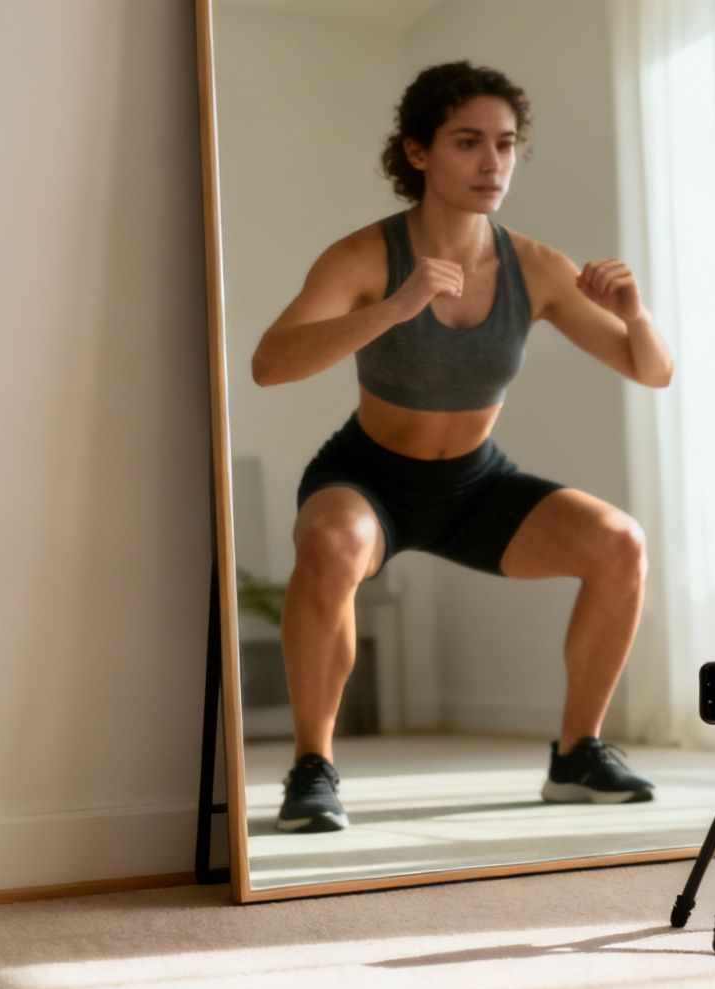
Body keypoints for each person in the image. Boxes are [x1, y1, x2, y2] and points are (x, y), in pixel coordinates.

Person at [252, 62, 673, 833]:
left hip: (476, 484)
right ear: (418, 153)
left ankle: (578, 754)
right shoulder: (363, 258)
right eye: (468, 142)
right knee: (332, 546)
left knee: (620, 544)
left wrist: (636, 313)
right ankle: (314, 767)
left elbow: (651, 371)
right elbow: (269, 364)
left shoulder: (536, 267)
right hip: (368, 475)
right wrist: (400, 304)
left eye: (506, 145)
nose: (492, 164)